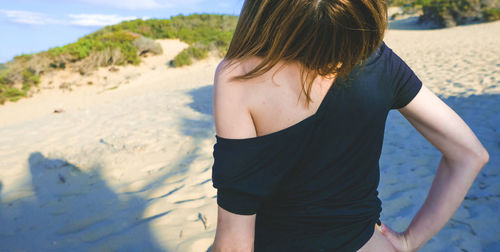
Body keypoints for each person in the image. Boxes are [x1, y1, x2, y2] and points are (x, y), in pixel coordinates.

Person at [209, 0, 490, 251]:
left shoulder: (240, 76)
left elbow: (234, 242)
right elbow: (469, 154)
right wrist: (409, 241)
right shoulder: (377, 58)